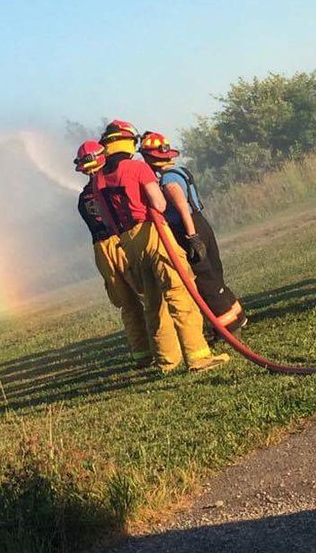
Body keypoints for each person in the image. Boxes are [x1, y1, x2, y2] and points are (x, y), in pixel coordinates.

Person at [91, 120, 229, 374]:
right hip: (153, 233)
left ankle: (167, 361)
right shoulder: (138, 168)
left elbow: (107, 219)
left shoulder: (97, 180)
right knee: (179, 292)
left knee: (153, 303)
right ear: (128, 142)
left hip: (128, 243)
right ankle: (198, 357)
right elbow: (159, 203)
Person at [138, 130, 247, 336]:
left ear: (151, 157)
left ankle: (228, 329)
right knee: (215, 274)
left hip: (188, 226)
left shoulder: (168, 180)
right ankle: (238, 317)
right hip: (200, 222)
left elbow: (180, 206)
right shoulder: (181, 171)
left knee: (205, 279)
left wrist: (192, 237)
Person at [74, 139, 154, 368]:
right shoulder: (106, 186)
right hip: (120, 242)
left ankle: (141, 354)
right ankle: (163, 346)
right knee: (149, 294)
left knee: (127, 304)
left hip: (100, 250)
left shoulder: (83, 197)